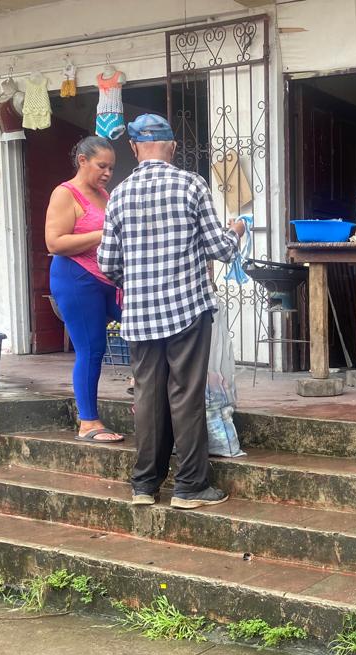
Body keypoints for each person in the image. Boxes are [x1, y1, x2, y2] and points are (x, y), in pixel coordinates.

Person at [97, 114, 244, 510]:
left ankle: (144, 485)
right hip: (188, 310)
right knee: (185, 395)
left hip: (141, 315)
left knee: (148, 396)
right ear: (173, 147)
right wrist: (237, 232)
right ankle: (190, 487)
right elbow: (221, 249)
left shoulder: (120, 194)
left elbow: (108, 262)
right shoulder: (191, 184)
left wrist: (138, 281)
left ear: (133, 148)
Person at [45, 135, 123, 443]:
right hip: (75, 279)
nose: (107, 173)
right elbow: (55, 243)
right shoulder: (65, 194)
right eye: (101, 166)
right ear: (82, 161)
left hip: (109, 280)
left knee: (144, 331)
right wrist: (101, 234)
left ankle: (144, 392)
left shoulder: (104, 194)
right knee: (91, 349)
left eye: (111, 168)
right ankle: (88, 422)